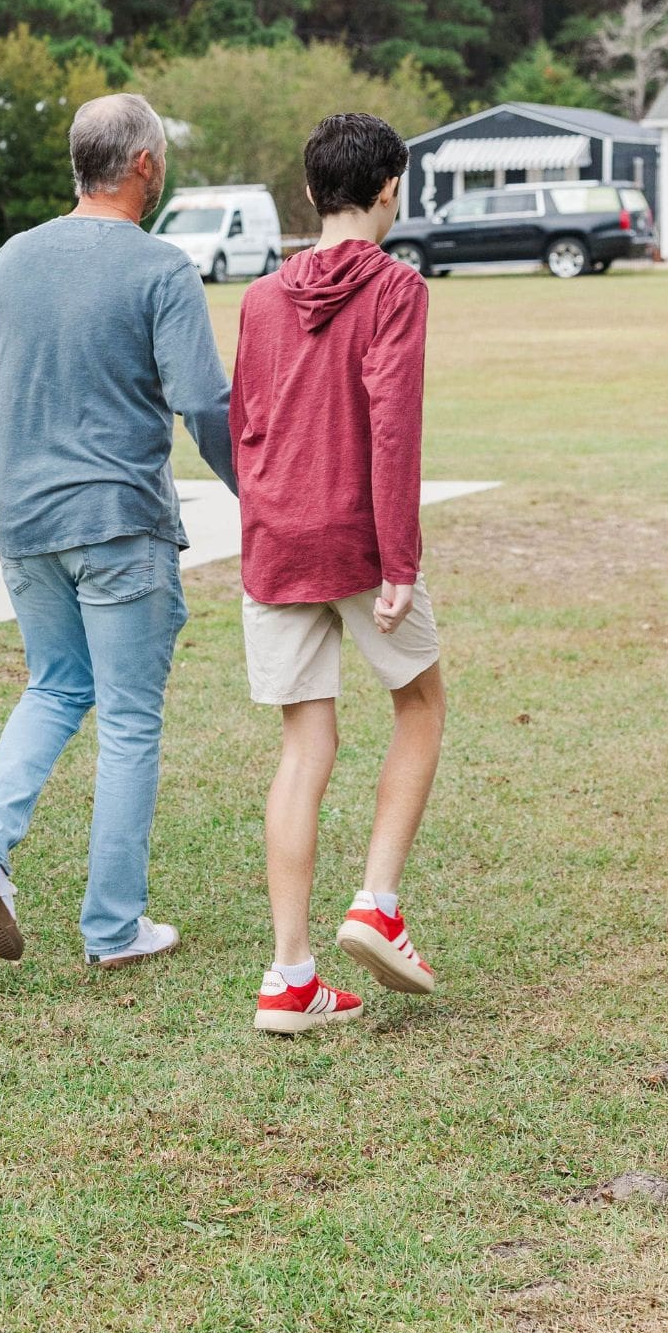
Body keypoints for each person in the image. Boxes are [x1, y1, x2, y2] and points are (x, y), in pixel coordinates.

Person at [0, 93, 237, 969]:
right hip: (119, 523)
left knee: (53, 686)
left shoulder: (7, 263)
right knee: (129, 721)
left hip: (28, 525)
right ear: (144, 165)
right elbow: (203, 403)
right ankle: (113, 928)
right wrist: (254, 492)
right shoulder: (161, 268)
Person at [231, 112, 444, 1035]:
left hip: (275, 539)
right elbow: (392, 424)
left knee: (303, 749)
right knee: (422, 706)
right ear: (391, 187)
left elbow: (243, 426)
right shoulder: (398, 289)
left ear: (312, 193)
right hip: (358, 538)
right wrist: (399, 560)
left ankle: (290, 977)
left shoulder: (260, 299)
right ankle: (378, 905)